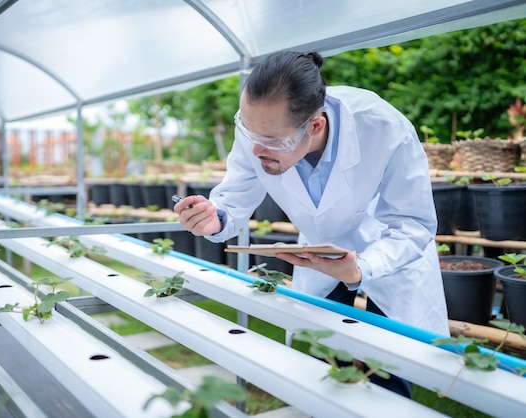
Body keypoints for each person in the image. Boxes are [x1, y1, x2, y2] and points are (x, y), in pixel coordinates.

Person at [173, 50, 449, 397]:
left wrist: (362, 267)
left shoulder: (383, 127)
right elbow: (234, 197)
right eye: (249, 133)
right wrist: (214, 218)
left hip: (389, 251)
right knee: (326, 359)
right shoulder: (261, 126)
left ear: (315, 125)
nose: (257, 150)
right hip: (320, 251)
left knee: (386, 369)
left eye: (273, 142)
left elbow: (411, 222)